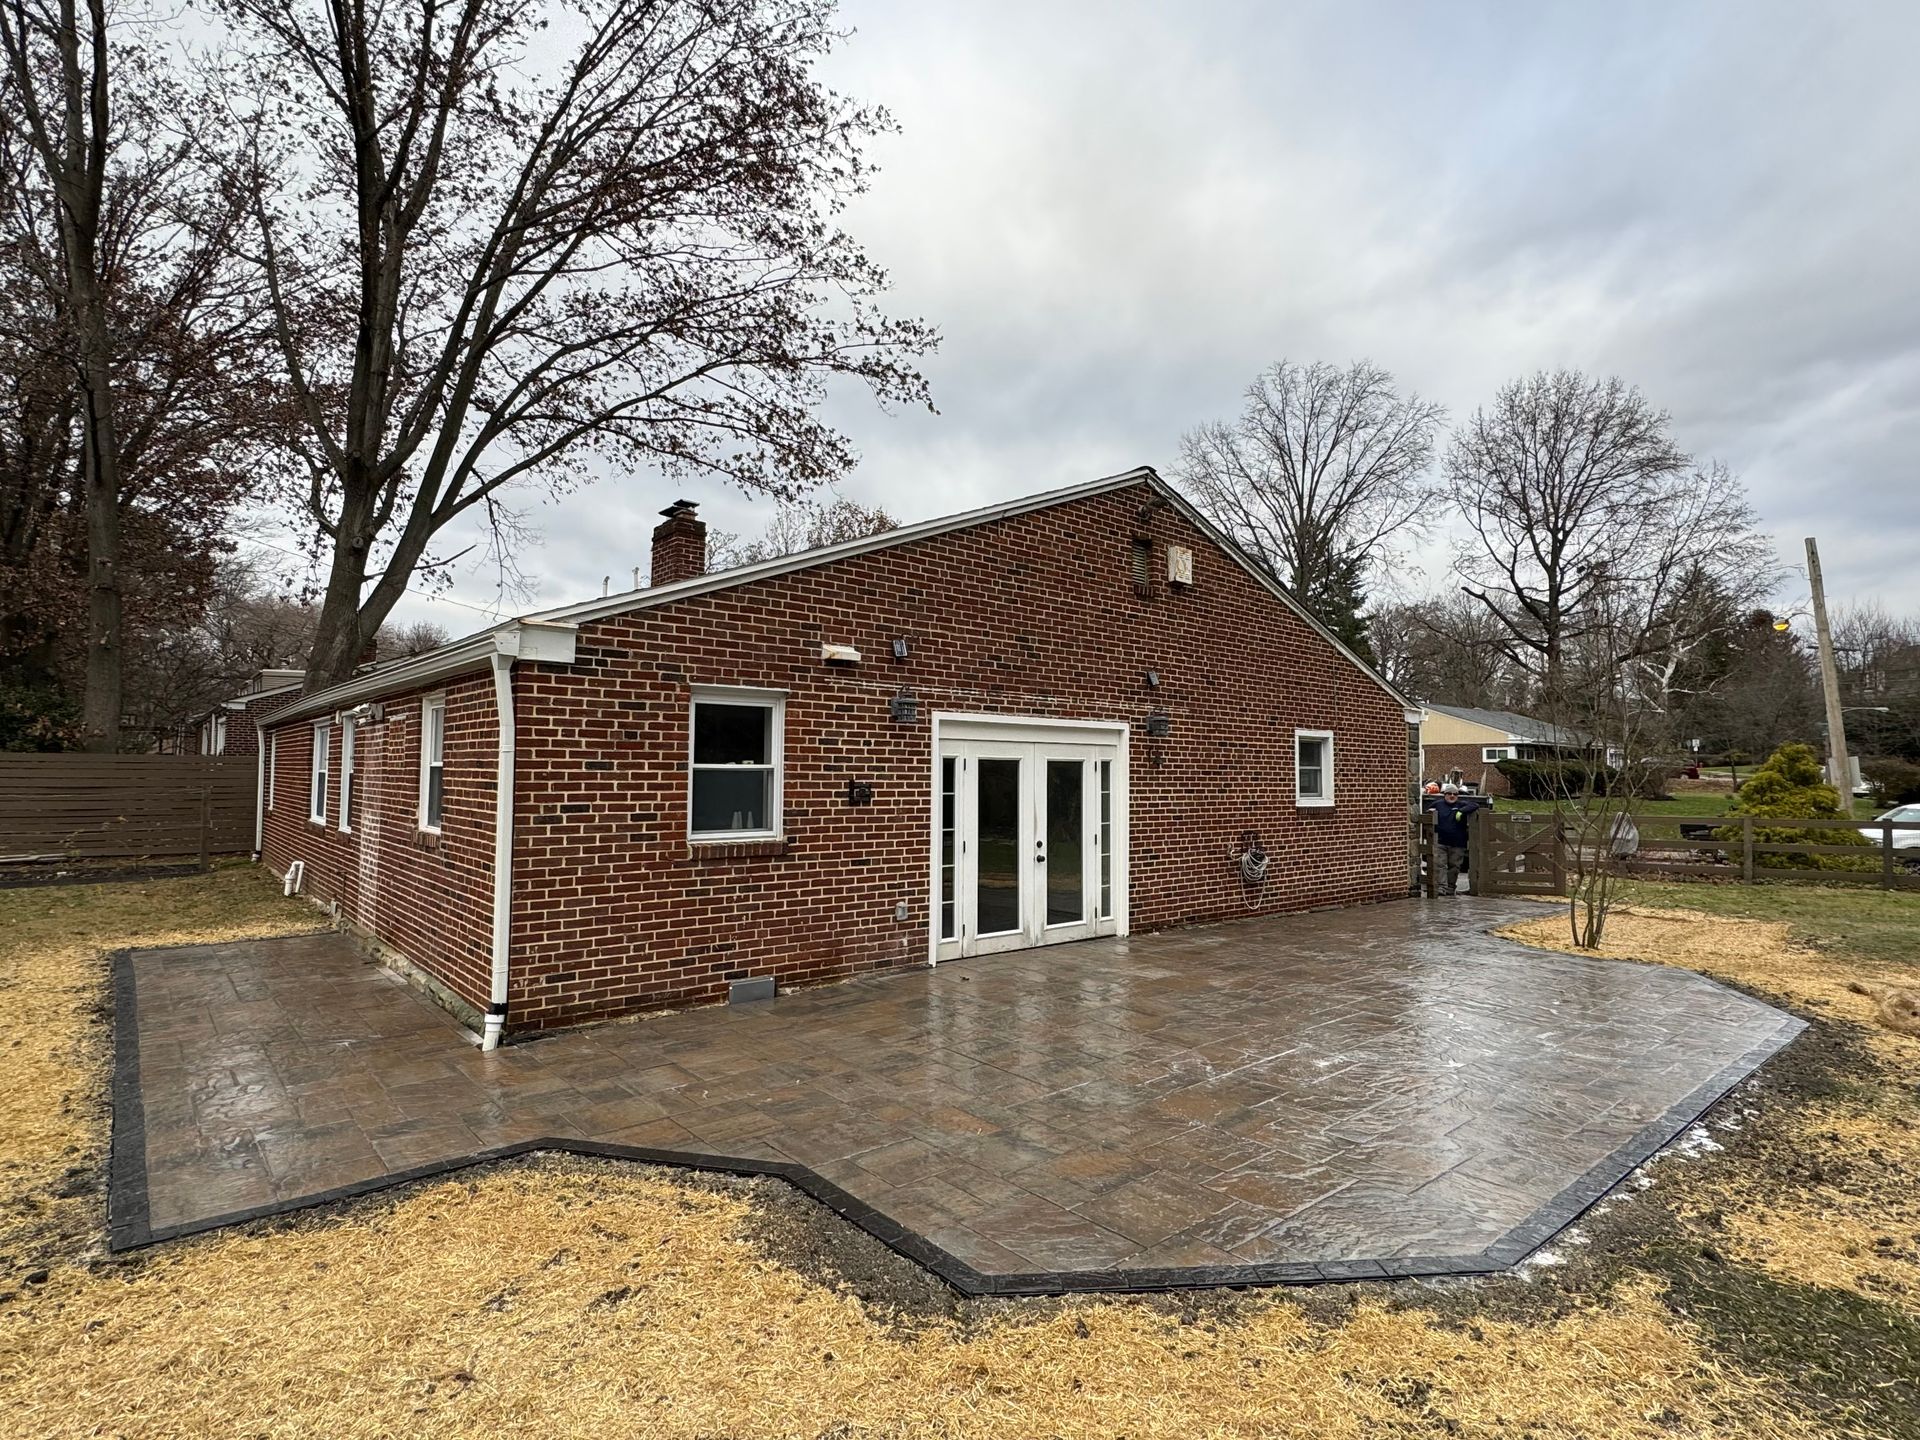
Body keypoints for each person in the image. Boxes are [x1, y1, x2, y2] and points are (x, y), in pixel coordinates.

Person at [1430, 781, 1490, 895]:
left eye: (1455, 794)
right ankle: (1442, 887)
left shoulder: (1461, 804)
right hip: (1440, 841)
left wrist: (1461, 812)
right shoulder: (1437, 804)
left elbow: (1475, 805)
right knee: (1440, 865)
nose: (1452, 796)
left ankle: (1451, 888)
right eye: (1449, 793)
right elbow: (1428, 812)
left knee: (1454, 867)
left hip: (1458, 843)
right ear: (1444, 794)